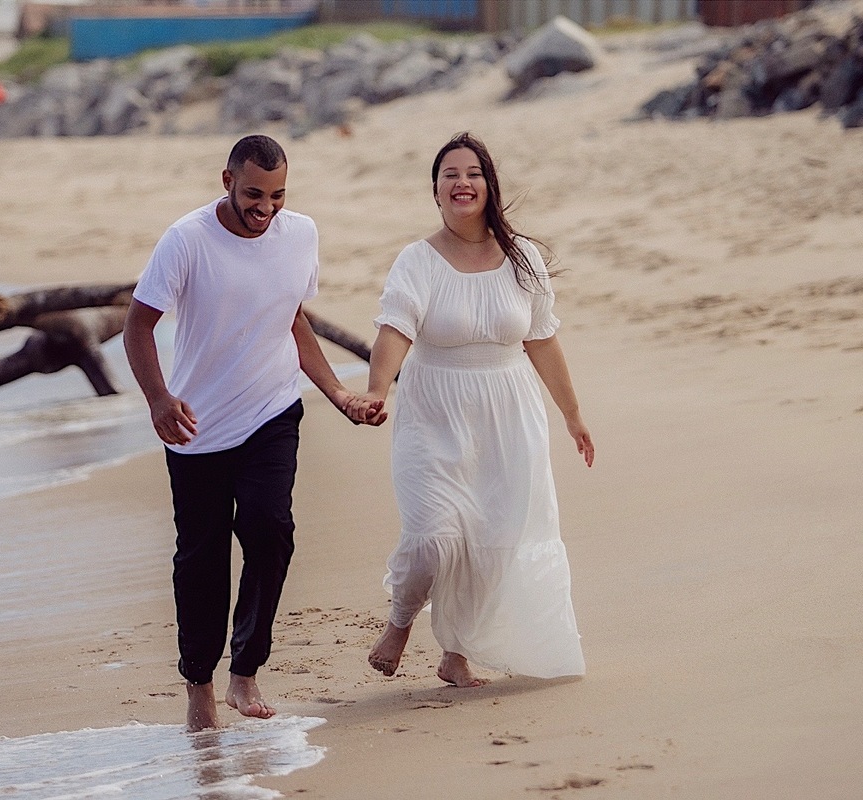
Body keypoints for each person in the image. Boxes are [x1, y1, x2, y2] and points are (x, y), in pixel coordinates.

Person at [123, 134, 383, 731]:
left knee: (270, 530)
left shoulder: (300, 235)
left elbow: (291, 318)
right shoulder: (186, 240)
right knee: (201, 558)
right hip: (197, 425)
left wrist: (339, 394)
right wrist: (158, 399)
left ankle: (245, 670)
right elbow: (139, 326)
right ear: (227, 182)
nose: (266, 208)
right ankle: (199, 684)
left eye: (277, 195)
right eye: (253, 195)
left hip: (272, 410)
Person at [346, 132, 594, 687]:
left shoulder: (523, 258)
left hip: (509, 411)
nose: (463, 183)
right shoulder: (418, 260)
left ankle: (455, 653)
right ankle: (401, 621)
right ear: (435, 191)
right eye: (451, 175)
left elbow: (542, 339)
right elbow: (395, 329)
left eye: (473, 174)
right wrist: (377, 390)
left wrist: (572, 415)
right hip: (434, 410)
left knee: (494, 539)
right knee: (435, 536)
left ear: (489, 186)